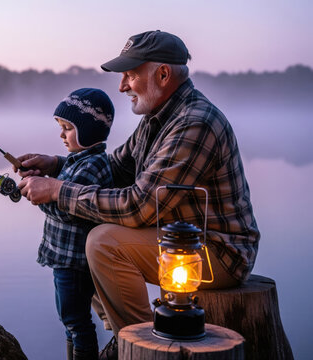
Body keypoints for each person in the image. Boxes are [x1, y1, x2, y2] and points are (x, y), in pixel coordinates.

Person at [16, 30, 260, 360]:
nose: (122, 86)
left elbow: (139, 207)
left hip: (218, 251)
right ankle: (125, 338)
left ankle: (145, 345)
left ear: (162, 74)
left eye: (130, 74)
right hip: (180, 239)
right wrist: (57, 164)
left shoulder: (194, 123)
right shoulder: (158, 118)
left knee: (103, 241)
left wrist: (58, 190)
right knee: (91, 229)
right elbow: (115, 168)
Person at [38, 88, 114, 360]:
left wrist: (42, 195)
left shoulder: (92, 166)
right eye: (61, 127)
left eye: (68, 128)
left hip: (75, 262)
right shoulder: (78, 161)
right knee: (69, 322)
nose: (61, 135)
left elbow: (71, 212)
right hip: (64, 259)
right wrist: (42, 175)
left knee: (75, 320)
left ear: (89, 131)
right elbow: (65, 182)